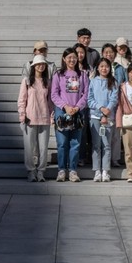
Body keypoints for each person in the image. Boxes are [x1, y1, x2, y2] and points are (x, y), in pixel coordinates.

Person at [50, 48, 89, 182]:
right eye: (69, 57)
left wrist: (77, 107)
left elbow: (86, 93)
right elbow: (54, 94)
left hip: (77, 112)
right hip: (62, 112)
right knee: (62, 143)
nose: (72, 60)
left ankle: (72, 170)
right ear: (64, 58)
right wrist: (65, 106)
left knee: (75, 142)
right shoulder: (58, 74)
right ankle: (61, 170)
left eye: (74, 57)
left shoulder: (83, 74)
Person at [18, 54, 54, 182]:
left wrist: (51, 115)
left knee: (43, 147)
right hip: (30, 118)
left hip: (44, 117)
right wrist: (22, 115)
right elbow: (22, 100)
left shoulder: (48, 81)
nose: (41, 66)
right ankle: (31, 171)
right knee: (29, 147)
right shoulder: (27, 81)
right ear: (33, 66)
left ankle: (41, 171)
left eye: (43, 64)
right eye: (38, 64)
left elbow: (50, 101)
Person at [87, 58, 118, 182]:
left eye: (106, 66)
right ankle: (97, 171)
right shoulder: (93, 81)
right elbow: (90, 99)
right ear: (97, 68)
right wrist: (100, 108)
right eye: (102, 66)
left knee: (106, 144)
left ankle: (105, 170)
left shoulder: (113, 82)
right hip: (95, 116)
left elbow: (114, 99)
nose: (104, 68)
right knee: (96, 144)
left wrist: (107, 110)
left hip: (108, 117)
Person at [100, 42, 128, 167]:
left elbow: (125, 84)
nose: (108, 54)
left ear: (115, 54)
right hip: (102, 106)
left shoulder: (120, 68)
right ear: (102, 54)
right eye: (106, 52)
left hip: (116, 105)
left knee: (116, 134)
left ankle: (115, 158)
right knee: (102, 134)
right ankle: (103, 158)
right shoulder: (98, 68)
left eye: (111, 52)